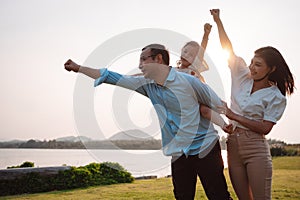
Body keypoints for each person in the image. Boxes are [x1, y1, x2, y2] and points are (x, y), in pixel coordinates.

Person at [65, 43, 232, 200]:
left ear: (159, 59)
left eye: (144, 59)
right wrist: (79, 68)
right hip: (179, 152)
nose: (140, 65)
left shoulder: (189, 81)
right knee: (182, 196)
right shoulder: (146, 85)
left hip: (205, 147)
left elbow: (218, 104)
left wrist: (232, 125)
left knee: (218, 196)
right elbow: (110, 76)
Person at [210, 9, 295, 200]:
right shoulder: (241, 75)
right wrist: (218, 22)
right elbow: (228, 48)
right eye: (251, 62)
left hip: (255, 148)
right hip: (232, 145)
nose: (251, 68)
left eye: (258, 65)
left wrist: (234, 116)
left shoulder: (276, 96)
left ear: (271, 69)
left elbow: (265, 128)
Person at [177, 23, 228, 130]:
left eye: (191, 55)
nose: (186, 55)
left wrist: (206, 35)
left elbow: (202, 50)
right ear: (181, 51)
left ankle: (225, 125)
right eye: (185, 52)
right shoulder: (173, 70)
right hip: (185, 101)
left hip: (200, 97)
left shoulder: (194, 67)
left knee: (205, 110)